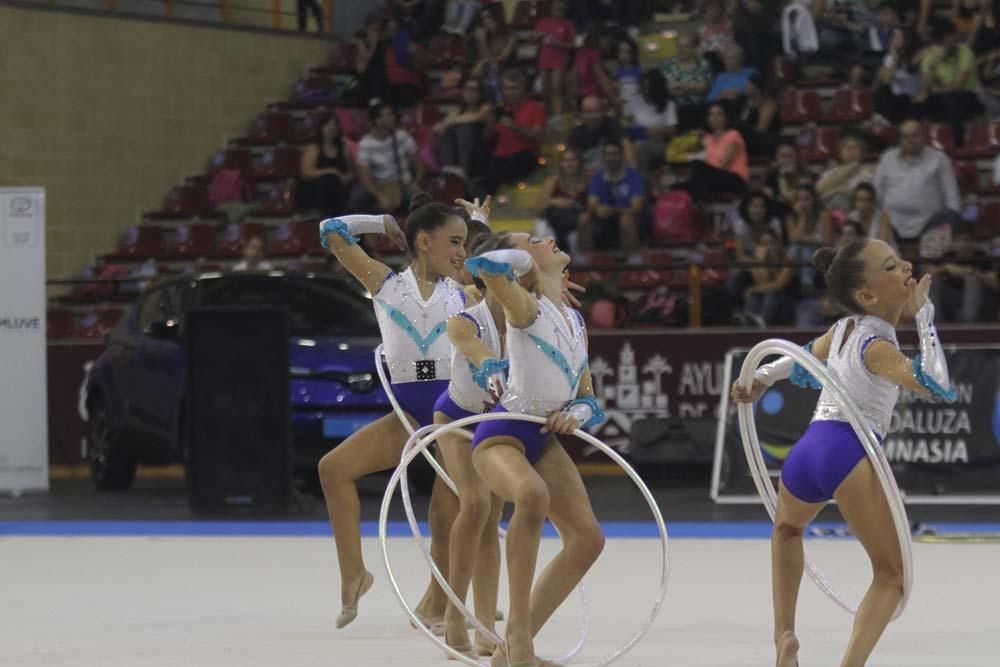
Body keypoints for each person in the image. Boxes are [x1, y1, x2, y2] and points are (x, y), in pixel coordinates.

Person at [732, 239, 957, 667]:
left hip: (808, 451)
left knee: (787, 532)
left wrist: (760, 377)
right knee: (892, 578)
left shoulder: (842, 330)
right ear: (867, 295)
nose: (907, 266)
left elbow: (798, 357)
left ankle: (784, 637)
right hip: (848, 452)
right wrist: (924, 312)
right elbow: (935, 383)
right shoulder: (876, 345)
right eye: (892, 266)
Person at [316, 193, 470, 631]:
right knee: (334, 468)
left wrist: (478, 222)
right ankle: (354, 574)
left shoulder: (464, 290)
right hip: (408, 413)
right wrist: (378, 222)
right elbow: (330, 230)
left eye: (465, 243)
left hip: (454, 413)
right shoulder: (385, 284)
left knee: (445, 514)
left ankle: (440, 605)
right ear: (424, 242)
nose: (462, 251)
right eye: (454, 242)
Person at [464, 234, 606, 667]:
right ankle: (520, 640)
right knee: (531, 495)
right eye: (533, 240)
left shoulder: (574, 321)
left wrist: (578, 413)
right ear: (525, 263)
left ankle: (510, 649)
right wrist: (526, 266)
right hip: (501, 434)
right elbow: (484, 266)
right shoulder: (526, 307)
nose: (547, 237)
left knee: (587, 539)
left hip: (542, 437)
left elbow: (588, 394)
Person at [873, 119, 961, 248]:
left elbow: (952, 198)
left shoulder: (940, 159)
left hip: (930, 222)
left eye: (915, 135)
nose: (911, 140)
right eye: (906, 136)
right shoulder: (887, 158)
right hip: (892, 222)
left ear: (923, 137)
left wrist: (949, 220)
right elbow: (877, 191)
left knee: (950, 218)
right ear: (900, 139)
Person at [482, 69, 547, 195]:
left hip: (525, 156)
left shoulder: (535, 108)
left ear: (523, 88)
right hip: (500, 157)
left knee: (503, 169)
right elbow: (486, 138)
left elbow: (538, 136)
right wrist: (490, 123)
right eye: (506, 88)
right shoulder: (500, 109)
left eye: (514, 88)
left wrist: (515, 127)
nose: (509, 93)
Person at [919, 22, 984, 147]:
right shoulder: (930, 57)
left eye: (954, 36)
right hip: (942, 101)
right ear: (940, 41)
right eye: (949, 38)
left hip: (967, 97)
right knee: (918, 104)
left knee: (950, 98)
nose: (953, 40)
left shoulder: (965, 52)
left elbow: (958, 85)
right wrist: (936, 63)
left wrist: (934, 90)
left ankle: (959, 142)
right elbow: (926, 87)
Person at [356, 101, 425, 213]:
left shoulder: (402, 136)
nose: (393, 118)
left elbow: (420, 164)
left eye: (392, 114)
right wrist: (379, 195)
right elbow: (365, 177)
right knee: (359, 196)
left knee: (417, 200)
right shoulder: (366, 143)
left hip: (403, 184)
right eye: (388, 115)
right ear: (377, 120)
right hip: (380, 185)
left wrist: (417, 182)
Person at [929, 220, 999, 321]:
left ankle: (966, 323)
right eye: (958, 241)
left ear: (973, 241)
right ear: (952, 242)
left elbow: (995, 284)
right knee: (932, 280)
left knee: (972, 280)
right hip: (949, 305)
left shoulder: (982, 257)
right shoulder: (947, 257)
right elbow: (927, 274)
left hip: (979, 307)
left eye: (966, 240)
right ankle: (935, 321)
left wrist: (972, 271)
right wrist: (946, 268)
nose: (962, 245)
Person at [584, 141, 645, 252]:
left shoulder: (633, 175)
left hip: (629, 217)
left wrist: (614, 211)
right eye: (608, 154)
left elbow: (636, 208)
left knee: (626, 220)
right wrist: (597, 209)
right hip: (604, 219)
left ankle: (632, 264)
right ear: (604, 156)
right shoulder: (597, 177)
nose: (611, 158)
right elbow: (591, 204)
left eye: (615, 154)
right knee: (584, 219)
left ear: (622, 155)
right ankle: (586, 264)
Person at [683, 103, 750, 201]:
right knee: (678, 186)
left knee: (696, 165)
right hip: (715, 179)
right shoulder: (707, 138)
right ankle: (699, 201)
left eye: (719, 114)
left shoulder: (733, 135)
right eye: (711, 114)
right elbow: (706, 163)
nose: (715, 118)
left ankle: (700, 204)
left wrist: (705, 176)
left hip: (735, 179)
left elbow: (723, 166)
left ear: (726, 118)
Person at [434, 77, 493, 180]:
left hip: (480, 147)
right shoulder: (458, 109)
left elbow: (477, 117)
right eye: (468, 89)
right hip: (457, 149)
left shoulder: (486, 107)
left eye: (474, 89)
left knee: (465, 129)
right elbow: (438, 128)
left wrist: (452, 121)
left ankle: (463, 170)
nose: (471, 93)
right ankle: (449, 169)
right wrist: (448, 123)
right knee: (445, 132)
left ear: (480, 92)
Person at [299, 113, 355, 216]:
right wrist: (332, 171)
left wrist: (346, 178)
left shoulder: (344, 148)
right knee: (329, 179)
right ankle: (321, 213)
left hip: (340, 187)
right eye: (328, 125)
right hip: (316, 188)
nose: (331, 128)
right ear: (321, 128)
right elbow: (306, 173)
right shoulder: (313, 148)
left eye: (334, 125)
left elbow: (351, 172)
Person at [567, 95, 638, 172]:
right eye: (589, 112)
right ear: (582, 113)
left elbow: (626, 145)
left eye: (597, 111)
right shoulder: (576, 133)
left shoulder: (612, 124)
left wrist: (633, 174)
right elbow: (570, 158)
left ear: (603, 111)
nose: (593, 116)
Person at [538, 148, 590, 252]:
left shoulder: (588, 181)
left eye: (573, 160)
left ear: (579, 162)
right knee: (543, 230)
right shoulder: (553, 181)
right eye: (565, 161)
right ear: (561, 163)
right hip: (553, 222)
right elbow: (539, 209)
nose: (569, 164)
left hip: (578, 223)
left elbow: (592, 206)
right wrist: (555, 201)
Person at [626, 69, 679, 170]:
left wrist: (650, 131)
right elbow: (629, 121)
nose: (645, 91)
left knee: (640, 147)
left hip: (658, 141)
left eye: (648, 88)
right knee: (626, 146)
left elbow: (673, 131)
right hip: (636, 138)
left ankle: (642, 180)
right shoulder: (635, 100)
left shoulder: (668, 104)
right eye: (643, 87)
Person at [744, 227, 796, 325]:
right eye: (764, 244)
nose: (768, 247)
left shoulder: (788, 259)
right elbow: (763, 283)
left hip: (786, 301)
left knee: (771, 295)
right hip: (767, 298)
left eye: (771, 243)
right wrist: (761, 262)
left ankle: (762, 322)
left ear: (778, 244)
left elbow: (778, 285)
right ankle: (749, 322)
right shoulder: (759, 261)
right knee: (755, 296)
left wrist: (754, 289)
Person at [662, 33, 714, 130]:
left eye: (686, 46)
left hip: (699, 106)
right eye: (679, 46)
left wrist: (680, 85)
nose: (682, 50)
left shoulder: (703, 64)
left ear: (694, 48)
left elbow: (704, 87)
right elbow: (667, 87)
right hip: (677, 108)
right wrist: (692, 86)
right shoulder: (669, 65)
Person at [535, 0, 577, 122]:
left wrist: (557, 43)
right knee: (545, 91)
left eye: (561, 9)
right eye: (556, 9)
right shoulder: (543, 22)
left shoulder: (567, 24)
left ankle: (557, 121)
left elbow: (573, 45)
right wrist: (537, 37)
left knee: (556, 90)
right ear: (551, 9)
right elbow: (533, 40)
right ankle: (548, 118)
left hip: (559, 60)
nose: (558, 12)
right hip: (544, 59)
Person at [786, 184, 831, 294]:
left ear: (814, 200)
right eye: (799, 200)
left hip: (821, 254)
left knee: (805, 248)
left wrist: (805, 240)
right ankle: (802, 282)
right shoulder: (791, 217)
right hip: (797, 257)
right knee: (795, 248)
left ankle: (804, 283)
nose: (803, 203)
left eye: (807, 199)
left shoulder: (824, 215)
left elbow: (827, 242)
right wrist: (802, 217)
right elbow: (793, 240)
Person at [816, 134, 876, 213]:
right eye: (846, 147)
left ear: (863, 153)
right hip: (829, 212)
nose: (850, 150)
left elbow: (867, 194)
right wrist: (844, 174)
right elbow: (817, 190)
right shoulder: (831, 172)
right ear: (840, 153)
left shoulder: (870, 171)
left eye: (855, 147)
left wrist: (836, 190)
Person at [874, 28, 923, 124]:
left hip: (913, 99)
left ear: (907, 39)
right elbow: (886, 81)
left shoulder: (917, 56)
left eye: (898, 36)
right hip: (895, 100)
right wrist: (895, 59)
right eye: (894, 36)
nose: (893, 39)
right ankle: (883, 118)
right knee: (882, 86)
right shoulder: (890, 57)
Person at [469, 8, 517, 103]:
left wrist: (484, 61)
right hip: (491, 72)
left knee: (492, 72)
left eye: (489, 17)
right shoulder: (484, 37)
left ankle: (498, 106)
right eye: (483, 20)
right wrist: (482, 41)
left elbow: (503, 58)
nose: (487, 21)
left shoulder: (511, 35)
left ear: (497, 18)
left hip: (508, 70)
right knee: (476, 74)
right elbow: (484, 59)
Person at [736, 72, 780, 157]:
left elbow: (761, 130)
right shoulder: (748, 103)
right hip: (751, 139)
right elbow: (743, 121)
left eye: (749, 85)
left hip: (766, 140)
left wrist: (746, 133)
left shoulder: (769, 104)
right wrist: (748, 108)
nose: (746, 87)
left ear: (757, 88)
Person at [763, 140, 811, 213]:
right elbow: (767, 196)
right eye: (783, 156)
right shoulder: (771, 174)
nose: (787, 160)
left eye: (790, 156)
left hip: (801, 208)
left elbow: (795, 196)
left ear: (796, 157)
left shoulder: (803, 172)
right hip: (779, 209)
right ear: (777, 158)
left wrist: (787, 177)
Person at [706, 45, 757, 109]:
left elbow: (757, 92)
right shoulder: (720, 77)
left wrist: (738, 92)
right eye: (726, 58)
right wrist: (722, 95)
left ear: (740, 58)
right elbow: (709, 99)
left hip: (744, 107)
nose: (729, 61)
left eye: (732, 58)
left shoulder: (751, 73)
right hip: (724, 110)